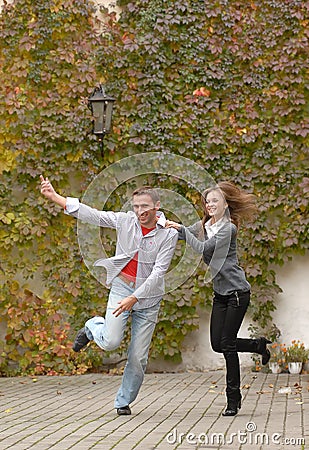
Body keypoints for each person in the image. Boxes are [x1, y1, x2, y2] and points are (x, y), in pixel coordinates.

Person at [40, 175, 178, 416]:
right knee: (111, 341)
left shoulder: (169, 233)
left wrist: (135, 298)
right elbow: (93, 215)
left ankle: (123, 402)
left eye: (144, 206)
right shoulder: (126, 221)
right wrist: (55, 197)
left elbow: (158, 273)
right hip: (122, 287)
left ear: (157, 206)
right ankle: (93, 327)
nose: (139, 211)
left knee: (138, 357)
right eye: (136, 206)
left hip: (148, 299)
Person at [166, 181, 271, 417]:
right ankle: (258, 345)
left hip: (236, 293)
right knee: (218, 343)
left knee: (228, 346)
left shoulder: (228, 229)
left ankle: (233, 400)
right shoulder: (205, 224)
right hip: (221, 294)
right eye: (207, 201)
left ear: (226, 204)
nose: (210, 204)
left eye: (215, 200)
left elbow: (203, 246)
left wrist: (182, 230)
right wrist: (166, 227)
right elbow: (187, 234)